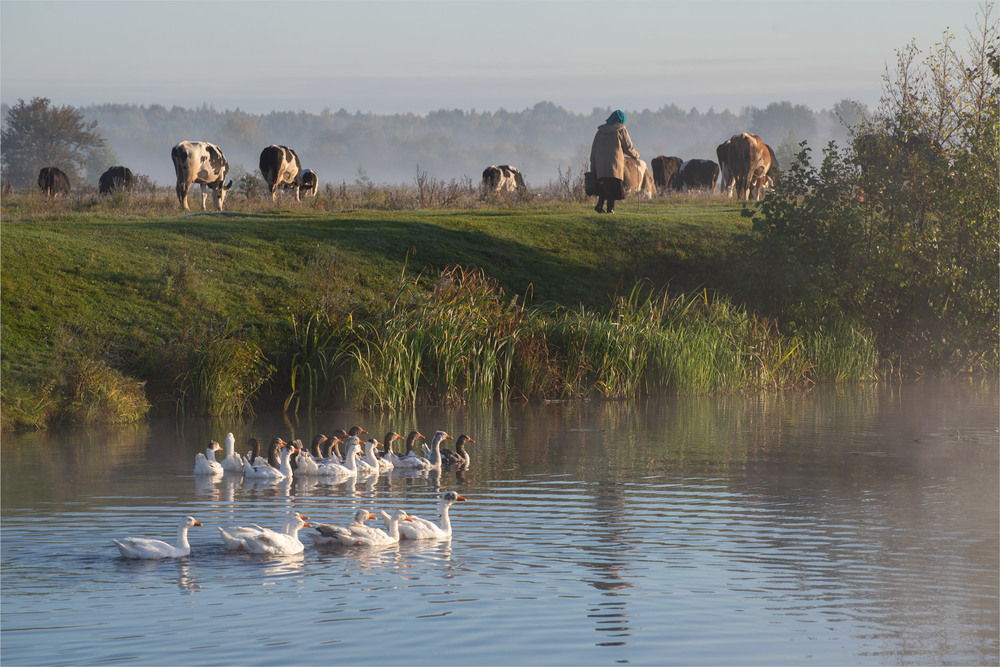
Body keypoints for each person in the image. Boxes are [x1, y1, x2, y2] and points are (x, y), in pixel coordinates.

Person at [589, 109, 640, 213]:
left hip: (601, 165)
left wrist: (593, 164)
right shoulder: (621, 130)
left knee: (604, 185)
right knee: (613, 185)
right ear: (621, 120)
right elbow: (628, 147)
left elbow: (593, 149)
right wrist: (636, 155)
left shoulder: (600, 131)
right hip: (615, 165)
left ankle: (599, 205)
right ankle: (610, 209)